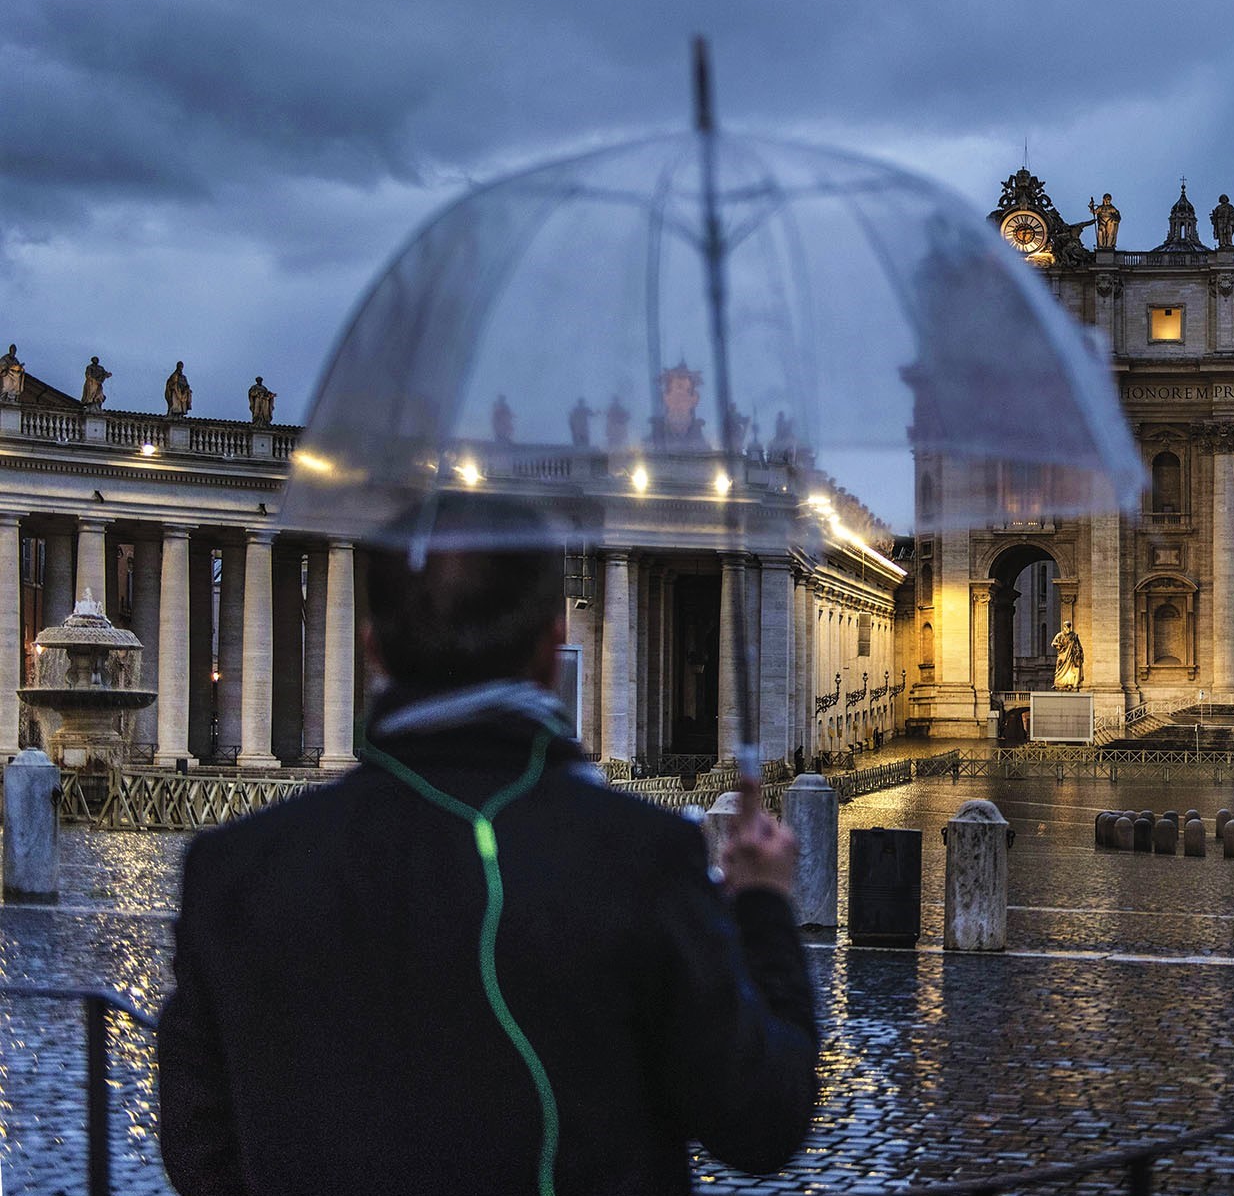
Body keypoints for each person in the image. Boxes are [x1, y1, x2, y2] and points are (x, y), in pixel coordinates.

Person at [159, 493, 819, 1195]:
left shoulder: (233, 870)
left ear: (373, 648)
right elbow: (761, 1121)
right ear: (550, 647)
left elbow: (199, 1143)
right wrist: (762, 907)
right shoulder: (642, 857)